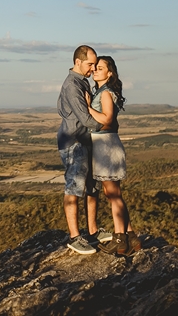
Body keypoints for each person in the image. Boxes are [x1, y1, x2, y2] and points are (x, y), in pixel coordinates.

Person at [85, 55, 141, 255]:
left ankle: (120, 239)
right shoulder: (101, 91)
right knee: (111, 193)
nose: (95, 70)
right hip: (106, 145)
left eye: (100, 68)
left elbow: (107, 120)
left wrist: (88, 108)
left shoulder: (106, 93)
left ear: (110, 73)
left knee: (113, 194)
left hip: (106, 144)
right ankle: (131, 236)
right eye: (95, 67)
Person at [57, 45, 104, 255]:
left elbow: (60, 108)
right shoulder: (72, 85)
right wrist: (108, 126)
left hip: (85, 139)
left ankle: (93, 231)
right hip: (74, 142)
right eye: (90, 64)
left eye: (95, 64)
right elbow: (85, 118)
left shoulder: (82, 81)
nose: (93, 68)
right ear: (78, 61)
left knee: (92, 186)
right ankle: (74, 237)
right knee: (74, 187)